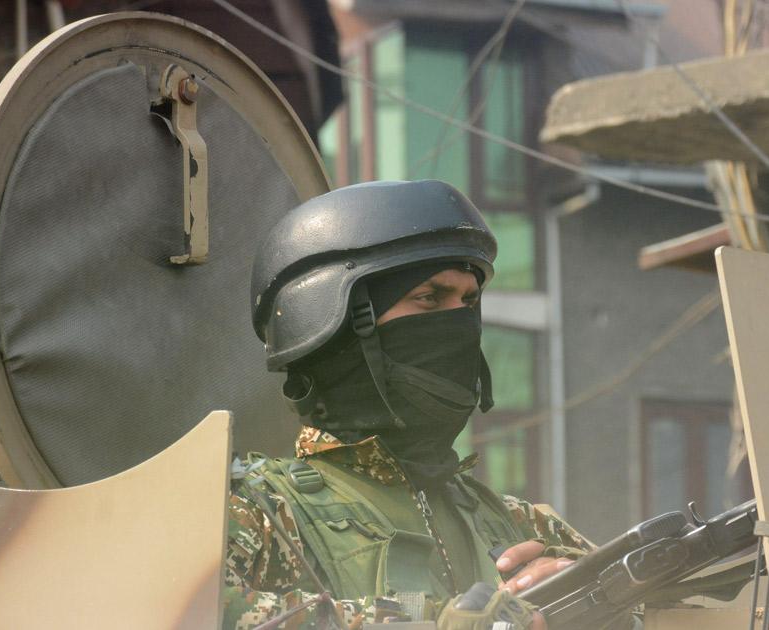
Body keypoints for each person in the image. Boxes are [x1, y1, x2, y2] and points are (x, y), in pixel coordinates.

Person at [224, 180, 591, 629]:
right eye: (430, 298)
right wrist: (430, 622)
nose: (458, 324)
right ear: (334, 329)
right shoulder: (258, 513)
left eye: (468, 301)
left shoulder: (521, 525)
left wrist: (592, 603)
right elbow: (190, 615)